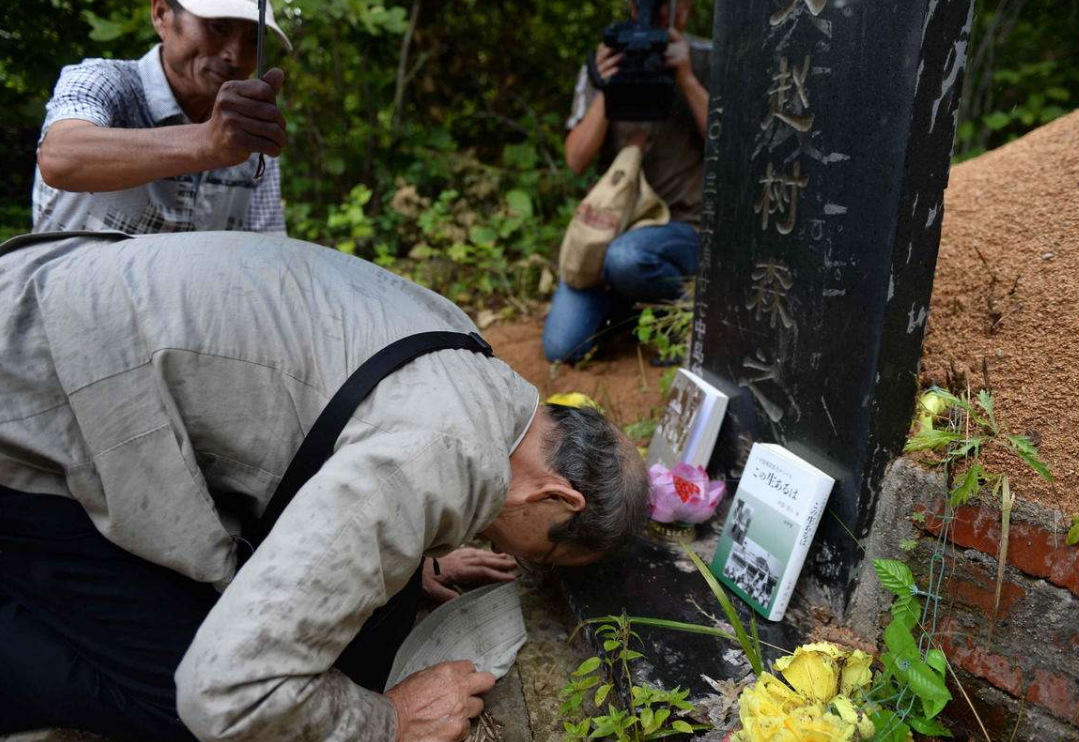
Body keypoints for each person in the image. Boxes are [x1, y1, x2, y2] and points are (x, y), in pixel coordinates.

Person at [0, 230, 650, 742]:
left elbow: (349, 428)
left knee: (365, 622)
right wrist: (388, 724)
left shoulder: (473, 363)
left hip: (76, 333)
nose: (521, 559)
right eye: (542, 554)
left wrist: (409, 551)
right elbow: (227, 693)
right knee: (196, 703)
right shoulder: (433, 459)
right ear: (556, 497)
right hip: (34, 408)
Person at [543, 0, 710, 363]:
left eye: (666, 7)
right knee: (562, 347)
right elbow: (575, 160)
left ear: (687, 7)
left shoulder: (706, 57)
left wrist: (687, 78)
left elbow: (733, 151)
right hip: (610, 229)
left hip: (680, 227)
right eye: (643, 6)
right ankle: (631, 309)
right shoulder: (607, 59)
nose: (653, 16)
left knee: (629, 257)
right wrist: (607, 89)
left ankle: (691, 325)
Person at [32, 0, 291, 235]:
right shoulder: (103, 81)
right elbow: (59, 159)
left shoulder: (247, 133)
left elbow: (267, 248)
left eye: (252, 40)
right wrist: (206, 141)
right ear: (161, 15)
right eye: (218, 28)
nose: (234, 56)